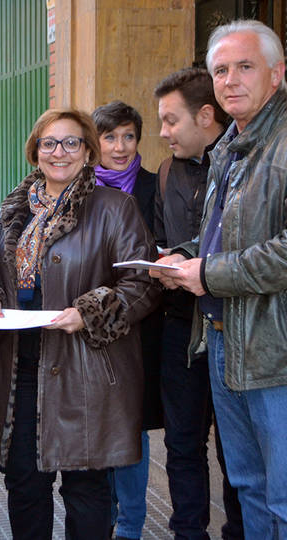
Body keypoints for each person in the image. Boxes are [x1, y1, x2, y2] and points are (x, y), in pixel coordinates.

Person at [0, 108, 160, 539]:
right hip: (19, 368)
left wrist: (90, 312)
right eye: (49, 143)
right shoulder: (13, 210)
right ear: (35, 152)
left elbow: (143, 282)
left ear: (88, 152)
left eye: (72, 142)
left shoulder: (116, 208)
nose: (60, 152)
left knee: (87, 491)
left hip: (85, 371)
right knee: (24, 485)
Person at [152, 20, 287, 538]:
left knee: (280, 495)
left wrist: (207, 273)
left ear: (276, 74)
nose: (230, 80)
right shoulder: (230, 145)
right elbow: (223, 235)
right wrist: (182, 258)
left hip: (274, 349)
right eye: (221, 70)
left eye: (245, 67)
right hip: (223, 339)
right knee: (249, 485)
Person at [154, 68, 243, 540]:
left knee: (236, 450)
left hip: (234, 327)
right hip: (179, 329)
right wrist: (163, 262)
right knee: (182, 443)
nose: (163, 133)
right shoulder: (167, 171)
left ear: (205, 116)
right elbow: (164, 237)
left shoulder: (239, 166)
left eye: (171, 121)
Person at [92, 101, 164, 540]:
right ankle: (107, 515)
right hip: (93, 326)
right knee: (99, 424)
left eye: (129, 136)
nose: (120, 147)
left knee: (132, 427)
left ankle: (131, 526)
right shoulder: (81, 192)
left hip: (142, 326)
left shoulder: (156, 188)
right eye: (110, 137)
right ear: (94, 142)